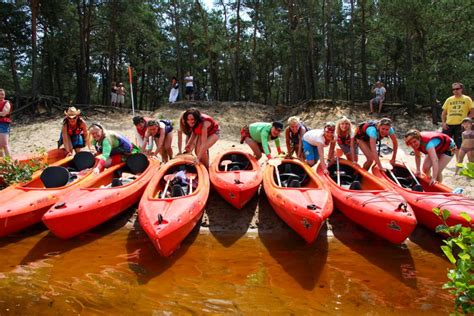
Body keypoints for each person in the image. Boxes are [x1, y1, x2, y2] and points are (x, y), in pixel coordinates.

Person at [441, 82, 473, 158]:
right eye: (453, 89)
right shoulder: (449, 99)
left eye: (457, 89)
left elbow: (472, 112)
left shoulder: (467, 99)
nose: (455, 91)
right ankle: (445, 159)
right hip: (449, 124)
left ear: (461, 89)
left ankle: (458, 163)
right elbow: (443, 113)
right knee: (444, 143)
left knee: (458, 144)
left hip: (460, 125)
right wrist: (443, 123)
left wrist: (466, 122)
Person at [0, 89, 12, 157]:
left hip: (3, 124)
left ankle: (10, 164)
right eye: (0, 94)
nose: (1, 96)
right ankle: (2, 164)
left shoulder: (6, 103)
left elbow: (4, 113)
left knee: (4, 145)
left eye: (3, 94)